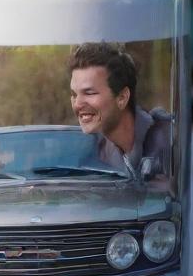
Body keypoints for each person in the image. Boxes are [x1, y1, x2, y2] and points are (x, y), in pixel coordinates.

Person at [68, 42, 172, 179]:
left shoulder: (167, 140)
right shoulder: (93, 155)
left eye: (89, 93)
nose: (77, 104)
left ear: (122, 98)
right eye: (74, 95)